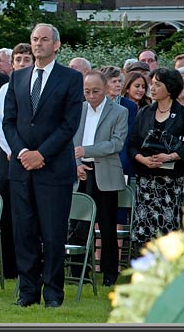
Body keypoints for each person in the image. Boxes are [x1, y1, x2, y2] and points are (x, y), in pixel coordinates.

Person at [3, 23, 83, 308]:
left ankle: (53, 294)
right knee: (23, 233)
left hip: (54, 169)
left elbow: (69, 124)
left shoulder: (71, 79)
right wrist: (24, 151)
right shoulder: (18, 77)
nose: (38, 44)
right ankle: (27, 292)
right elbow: (8, 121)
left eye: (44, 39)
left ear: (56, 44)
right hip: (21, 169)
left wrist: (42, 154)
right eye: (35, 39)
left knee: (52, 234)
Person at [127, 68, 184, 248]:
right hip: (146, 180)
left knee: (167, 233)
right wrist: (142, 159)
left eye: (157, 84)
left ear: (170, 87)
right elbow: (133, 143)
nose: (152, 88)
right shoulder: (144, 112)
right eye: (152, 84)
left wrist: (170, 157)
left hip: (170, 183)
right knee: (145, 232)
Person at [72, 71, 128, 286]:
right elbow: (70, 140)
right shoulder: (78, 110)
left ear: (105, 89)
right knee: (78, 224)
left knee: (107, 226)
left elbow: (116, 143)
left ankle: (109, 274)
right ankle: (78, 273)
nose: (91, 95)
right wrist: (77, 164)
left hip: (105, 172)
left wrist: (86, 150)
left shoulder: (119, 112)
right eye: (87, 91)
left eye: (95, 91)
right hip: (81, 172)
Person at [0, 42, 34, 280]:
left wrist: (27, 152)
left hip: (34, 160)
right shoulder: (5, 89)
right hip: (11, 159)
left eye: (25, 60)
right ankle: (9, 267)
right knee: (8, 214)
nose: (21, 64)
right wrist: (12, 150)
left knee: (30, 214)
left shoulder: (36, 87)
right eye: (18, 60)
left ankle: (31, 265)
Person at [99, 65, 138, 177]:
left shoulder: (129, 106)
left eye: (120, 81)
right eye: (114, 81)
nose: (118, 84)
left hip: (120, 154)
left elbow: (127, 135)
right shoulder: (93, 103)